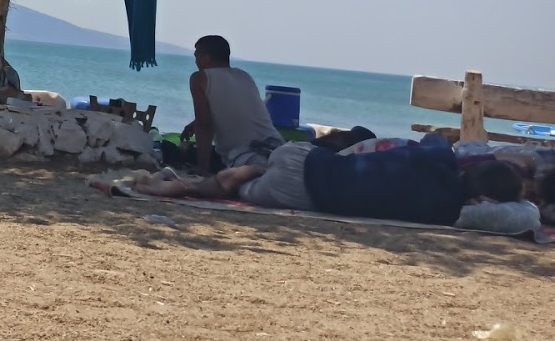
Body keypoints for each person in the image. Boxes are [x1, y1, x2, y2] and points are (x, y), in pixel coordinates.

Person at [135, 136, 522, 225]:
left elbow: (437, 139)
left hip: (305, 157)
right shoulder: (444, 213)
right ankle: (188, 187)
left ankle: (254, 167)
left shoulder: (439, 157)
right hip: (301, 194)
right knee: (235, 189)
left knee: (269, 165)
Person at [182, 35, 282, 173]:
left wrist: (202, 168)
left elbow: (204, 125)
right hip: (277, 148)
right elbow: (238, 109)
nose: (195, 61)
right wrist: (194, 123)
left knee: (184, 154)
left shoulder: (199, 78)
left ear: (206, 57)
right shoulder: (244, 76)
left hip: (247, 157)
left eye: (196, 56)